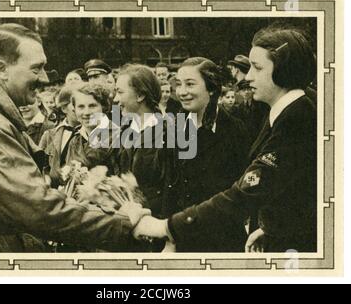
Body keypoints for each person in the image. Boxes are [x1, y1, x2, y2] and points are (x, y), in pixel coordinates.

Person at [133, 26, 317, 253]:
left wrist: (167, 227)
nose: (248, 77)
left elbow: (247, 190)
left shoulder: (294, 120)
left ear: (284, 70)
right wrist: (273, 227)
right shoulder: (294, 111)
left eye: (257, 68)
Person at [0, 23, 148, 253]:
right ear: (2, 69)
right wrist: (124, 224)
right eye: (36, 69)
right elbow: (38, 208)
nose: (44, 79)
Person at [162, 57, 249, 252]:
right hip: (184, 237)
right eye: (179, 84)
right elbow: (171, 187)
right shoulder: (175, 129)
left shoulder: (236, 129)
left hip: (225, 240)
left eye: (190, 84)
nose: (182, 92)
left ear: (211, 88)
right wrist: (170, 240)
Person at [113, 64, 176, 219]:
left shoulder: (169, 133)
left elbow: (172, 192)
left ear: (140, 96)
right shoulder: (124, 130)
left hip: (156, 225)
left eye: (120, 92)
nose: (115, 99)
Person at [65, 83, 119, 174]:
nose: (86, 112)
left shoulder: (118, 136)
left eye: (92, 106)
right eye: (81, 107)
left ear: (104, 107)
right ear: (74, 110)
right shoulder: (74, 141)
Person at [39, 83, 82, 188]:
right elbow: (40, 167)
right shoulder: (49, 135)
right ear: (63, 108)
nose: (80, 109)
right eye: (75, 104)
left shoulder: (93, 134)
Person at [235, 79, 270, 146]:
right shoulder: (239, 108)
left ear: (252, 90)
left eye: (248, 89)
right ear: (239, 92)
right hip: (246, 141)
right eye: (243, 90)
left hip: (259, 140)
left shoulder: (261, 105)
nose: (246, 92)